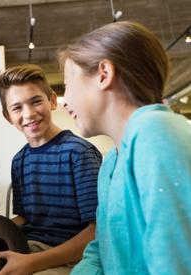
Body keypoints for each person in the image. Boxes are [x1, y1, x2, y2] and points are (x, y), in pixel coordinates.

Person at [61, 21, 191, 274]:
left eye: (67, 83)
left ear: (103, 74)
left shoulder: (156, 131)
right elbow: (101, 250)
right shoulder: (111, 161)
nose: (65, 101)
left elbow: (176, 261)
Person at [0, 64, 102, 275]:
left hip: (71, 259)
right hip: (28, 248)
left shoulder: (79, 153)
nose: (29, 114)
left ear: (52, 100)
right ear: (8, 116)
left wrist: (33, 263)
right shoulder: (19, 160)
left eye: (36, 101)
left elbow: (96, 231)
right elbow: (25, 219)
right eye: (17, 107)